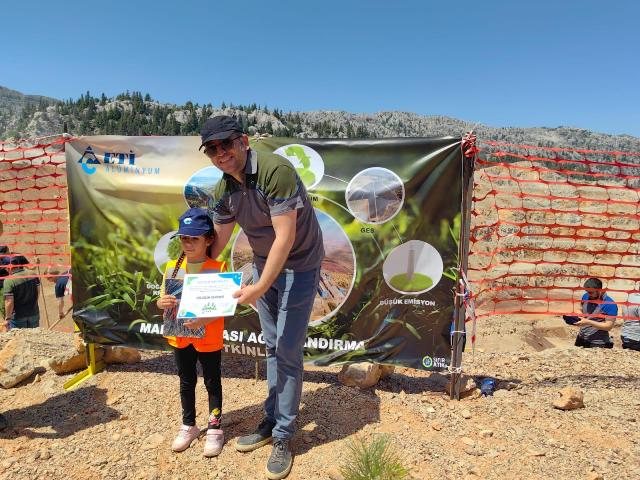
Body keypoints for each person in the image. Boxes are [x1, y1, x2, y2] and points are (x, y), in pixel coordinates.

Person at [202, 115, 324, 480]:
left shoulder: (275, 171)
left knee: (287, 349)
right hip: (263, 263)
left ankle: (284, 436)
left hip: (300, 265)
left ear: (243, 141)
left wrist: (256, 287)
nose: (221, 153)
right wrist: (187, 282)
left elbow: (285, 239)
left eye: (226, 144)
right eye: (212, 149)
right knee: (273, 346)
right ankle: (271, 421)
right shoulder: (224, 189)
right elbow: (217, 245)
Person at [156, 208, 226, 457]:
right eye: (184, 237)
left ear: (209, 239)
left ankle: (215, 428)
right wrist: (161, 303)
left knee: (212, 382)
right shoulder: (171, 268)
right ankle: (189, 425)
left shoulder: (218, 267)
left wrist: (205, 319)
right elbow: (163, 299)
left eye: (194, 238)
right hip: (180, 337)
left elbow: (224, 306)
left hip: (208, 338)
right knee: (186, 381)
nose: (188, 243)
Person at [573, 277, 617, 348]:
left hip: (597, 343)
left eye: (590, 292)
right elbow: (580, 308)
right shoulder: (585, 296)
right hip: (581, 338)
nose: (588, 294)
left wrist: (588, 322)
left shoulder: (610, 304)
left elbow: (608, 326)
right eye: (587, 291)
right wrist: (579, 314)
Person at [2, 255, 40, 329]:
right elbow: (38, 292)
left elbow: (9, 302)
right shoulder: (33, 274)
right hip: (34, 313)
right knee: (34, 335)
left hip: (18, 317)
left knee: (20, 336)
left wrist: (7, 318)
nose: (6, 270)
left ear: (9, 267)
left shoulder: (8, 281)